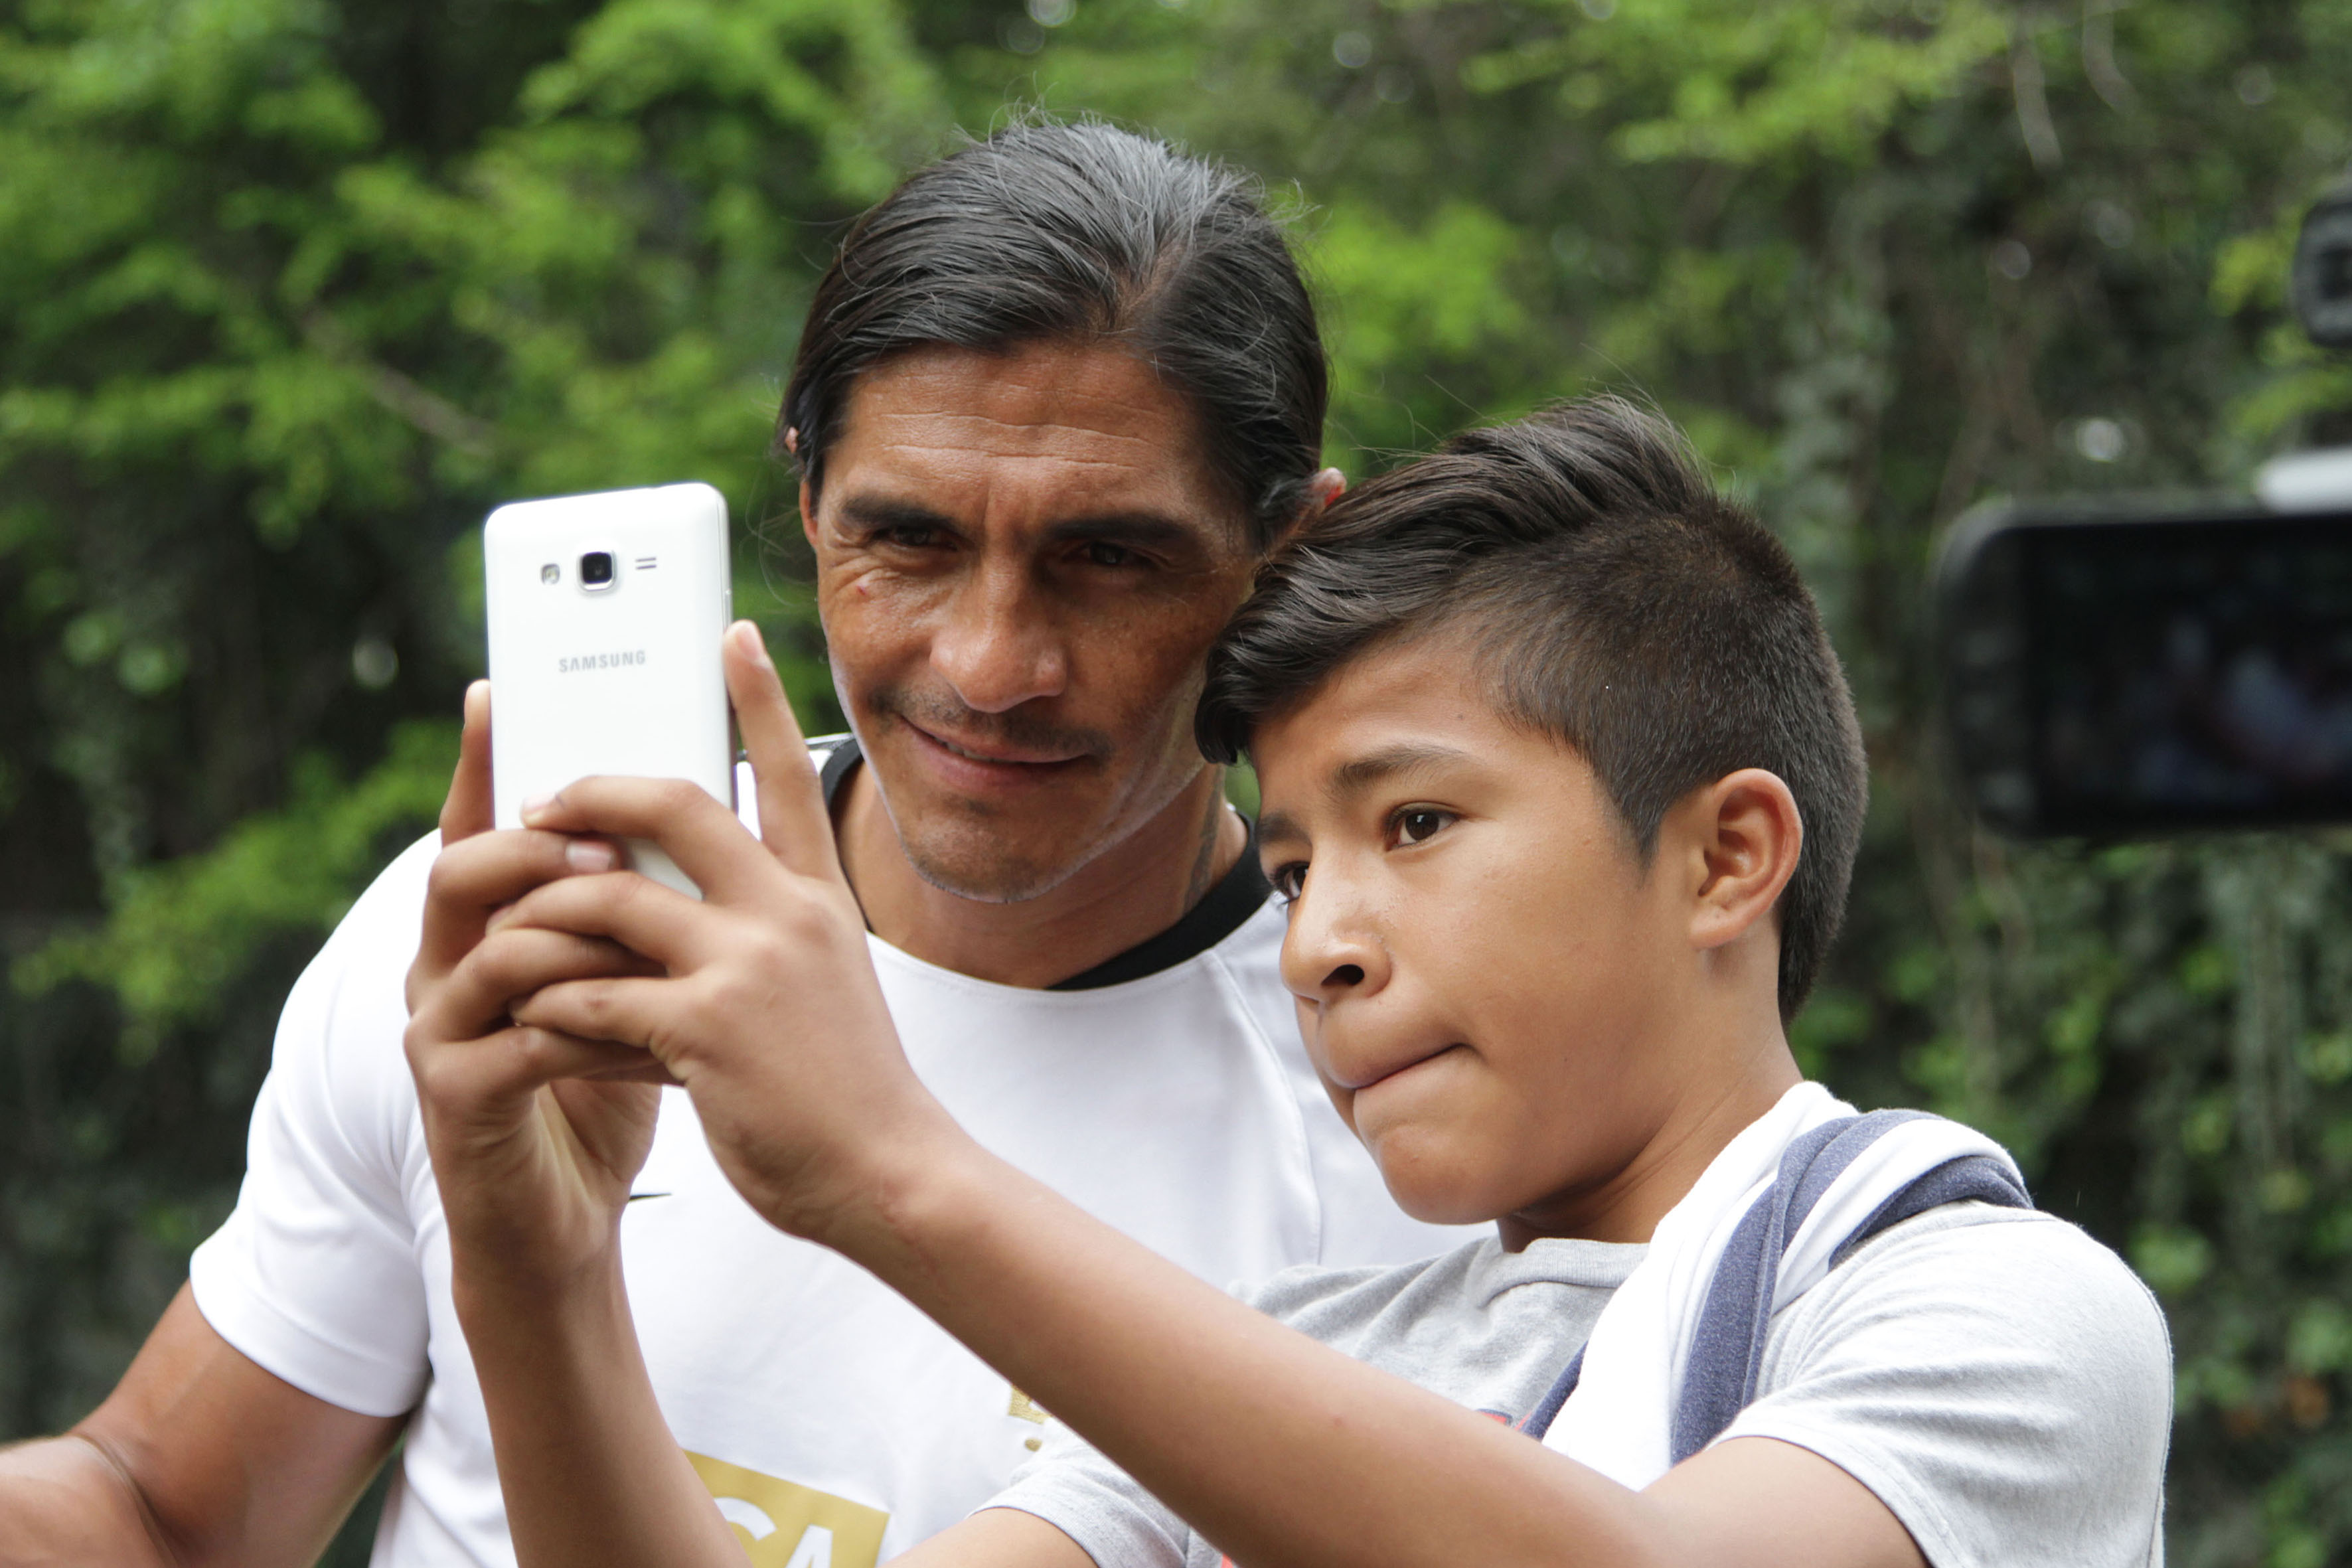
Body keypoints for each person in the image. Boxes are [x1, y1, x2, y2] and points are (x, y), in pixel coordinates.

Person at [0, 123, 1469, 1568]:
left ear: (1282, 552)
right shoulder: (504, 938)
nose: (988, 661)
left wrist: (549, 1269)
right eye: (907, 539)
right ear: (806, 496)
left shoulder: (1401, 1109)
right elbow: (159, 1505)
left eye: (1107, 556)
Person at [414, 398, 2173, 1568]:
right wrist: (537, 1259)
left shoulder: (1977, 1310)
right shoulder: (1310, 1357)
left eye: (1415, 820)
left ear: (1727, 856)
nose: (1320, 940)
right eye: (1290, 864)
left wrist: (889, 1168)